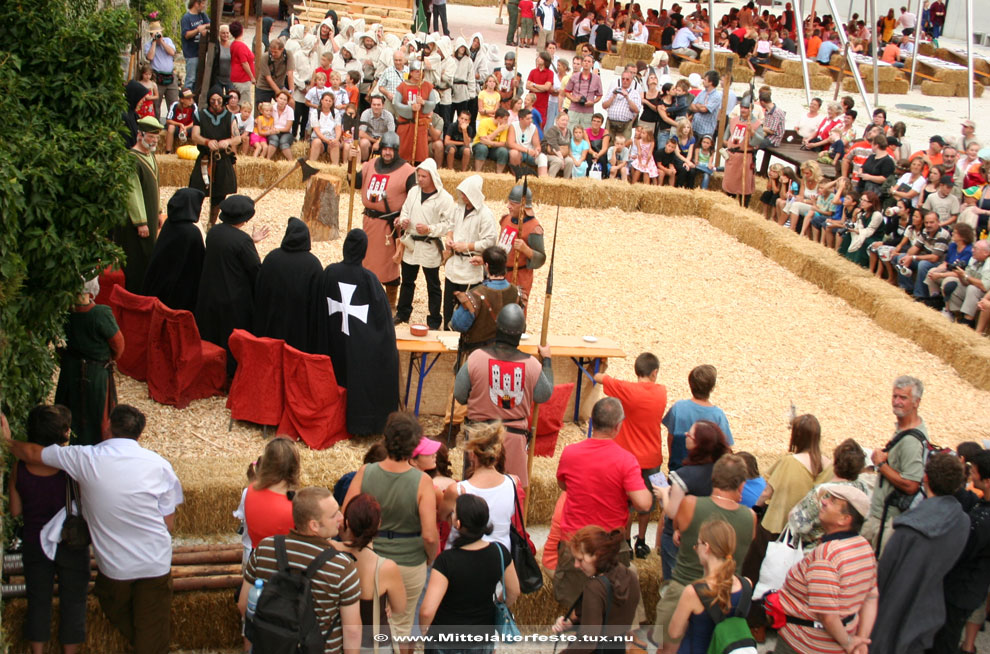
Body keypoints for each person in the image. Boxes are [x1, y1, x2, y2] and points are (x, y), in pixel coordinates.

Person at [5, 405, 183, 654]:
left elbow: (34, 454)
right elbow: (169, 524)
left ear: (107, 426)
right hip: (156, 562)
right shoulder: (160, 465)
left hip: (115, 569)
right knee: (151, 631)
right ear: (139, 435)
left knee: (105, 603)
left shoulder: (84, 459)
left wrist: (7, 441)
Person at [343, 412, 439, 652]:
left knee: (366, 625)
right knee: (402, 627)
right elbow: (429, 534)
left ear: (385, 439)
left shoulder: (366, 471)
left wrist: (355, 546)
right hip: (409, 561)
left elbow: (345, 517)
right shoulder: (422, 481)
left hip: (367, 559)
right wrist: (430, 557)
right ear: (414, 445)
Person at [554, 397, 653, 606]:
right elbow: (644, 504)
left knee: (574, 607)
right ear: (618, 427)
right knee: (612, 609)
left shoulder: (570, 452)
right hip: (609, 544)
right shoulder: (626, 460)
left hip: (575, 540)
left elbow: (563, 485)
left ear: (592, 421)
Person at [239, 487, 361, 654]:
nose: (341, 518)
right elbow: (352, 631)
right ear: (314, 525)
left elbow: (244, 604)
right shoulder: (341, 566)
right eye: (334, 515)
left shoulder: (265, 548)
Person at [8, 405, 90, 654]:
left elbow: (14, 511)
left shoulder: (19, 469)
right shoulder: (71, 467)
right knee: (74, 601)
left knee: (38, 602)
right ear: (61, 435)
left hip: (34, 542)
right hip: (71, 542)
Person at [654, 455, 756, 654]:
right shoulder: (750, 517)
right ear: (742, 485)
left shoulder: (691, 504)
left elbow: (675, 525)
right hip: (728, 596)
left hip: (683, 590)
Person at [869, 453, 969, 654]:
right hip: (929, 609)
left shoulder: (908, 529)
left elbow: (884, 576)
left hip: (893, 610)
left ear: (925, 478)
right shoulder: (962, 521)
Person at [454, 303, 552, 489]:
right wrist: (546, 361)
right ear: (520, 333)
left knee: (476, 496)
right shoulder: (532, 364)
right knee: (510, 493)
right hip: (513, 440)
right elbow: (543, 395)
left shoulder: (476, 358)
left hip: (480, 438)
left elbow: (460, 395)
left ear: (497, 328)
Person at [312, 230, 400, 435]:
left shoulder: (330, 273)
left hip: (333, 339)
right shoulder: (369, 279)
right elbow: (382, 321)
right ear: (363, 251)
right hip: (360, 346)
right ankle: (364, 424)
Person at [773, 485, 879, 654]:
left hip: (805, 644)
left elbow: (827, 615)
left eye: (833, 501)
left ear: (845, 519)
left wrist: (849, 643)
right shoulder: (864, 546)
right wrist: (861, 639)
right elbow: (871, 596)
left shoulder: (827, 556)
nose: (823, 501)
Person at [420, 493, 520, 653]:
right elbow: (513, 591)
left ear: (458, 524)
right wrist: (497, 605)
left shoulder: (446, 560)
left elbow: (427, 610)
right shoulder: (500, 552)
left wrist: (425, 631)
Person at [592, 353, 668, 559]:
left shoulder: (626, 390)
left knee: (625, 503)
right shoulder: (662, 391)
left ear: (637, 371)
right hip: (653, 458)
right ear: (655, 373)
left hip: (628, 458)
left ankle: (625, 539)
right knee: (648, 503)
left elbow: (598, 378)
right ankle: (642, 541)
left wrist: (600, 367)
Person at [195, 195, 268, 378]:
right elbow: (254, 269)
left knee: (212, 337)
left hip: (210, 292)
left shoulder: (214, 232)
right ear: (245, 219)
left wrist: (250, 240)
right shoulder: (242, 241)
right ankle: (231, 376)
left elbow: (228, 248)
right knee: (231, 341)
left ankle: (210, 372)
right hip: (233, 297)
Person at [331, 493, 407, 650]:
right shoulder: (386, 567)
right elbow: (400, 608)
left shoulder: (330, 550)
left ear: (346, 522)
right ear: (378, 524)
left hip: (339, 640)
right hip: (375, 643)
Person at [54, 278, 123, 446]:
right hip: (95, 373)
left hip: (71, 370)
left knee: (70, 411)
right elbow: (118, 345)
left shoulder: (63, 313)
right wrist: (106, 359)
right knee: (96, 414)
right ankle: (95, 451)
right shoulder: (101, 314)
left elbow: (59, 346)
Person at [864, 375, 929, 554]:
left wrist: (881, 465)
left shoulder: (911, 441)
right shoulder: (905, 430)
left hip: (887, 521)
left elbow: (911, 484)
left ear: (916, 402)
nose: (897, 402)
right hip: (882, 517)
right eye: (895, 396)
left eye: (903, 398)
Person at [352, 132, 416, 311]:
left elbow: (414, 199)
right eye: (385, 149)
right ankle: (367, 296)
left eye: (391, 150)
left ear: (396, 150)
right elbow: (355, 183)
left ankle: (390, 304)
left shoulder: (408, 171)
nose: (387, 153)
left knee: (390, 265)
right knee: (367, 261)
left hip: (390, 226)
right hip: (369, 222)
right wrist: (351, 163)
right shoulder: (370, 164)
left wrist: (403, 216)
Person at [553, 526, 643, 654]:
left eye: (580, 560)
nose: (576, 565)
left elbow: (588, 643)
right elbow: (609, 618)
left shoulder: (595, 588)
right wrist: (572, 623)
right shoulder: (629, 576)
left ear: (597, 555)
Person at [667, 520, 751, 654]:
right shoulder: (746, 584)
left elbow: (674, 634)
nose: (695, 548)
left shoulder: (693, 592)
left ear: (706, 547)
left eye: (697, 544)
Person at [394, 159, 454, 329]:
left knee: (433, 284)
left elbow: (449, 224)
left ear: (432, 177)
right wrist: (404, 220)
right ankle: (403, 313)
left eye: (423, 176)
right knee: (407, 281)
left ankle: (434, 319)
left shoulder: (445, 198)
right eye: (418, 175)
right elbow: (405, 210)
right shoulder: (413, 192)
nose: (419, 179)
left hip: (429, 246)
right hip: (412, 244)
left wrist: (430, 228)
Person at [441, 422, 518, 551]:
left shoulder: (457, 490)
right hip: (500, 556)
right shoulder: (513, 482)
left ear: (472, 454)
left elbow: (442, 516)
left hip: (462, 555)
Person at [253, 218, 322, 352]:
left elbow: (260, 290)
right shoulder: (313, 265)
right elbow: (316, 303)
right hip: (299, 329)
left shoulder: (272, 258)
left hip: (271, 325)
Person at [441, 175, 499, 330]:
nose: (462, 196)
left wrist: (468, 245)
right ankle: (447, 330)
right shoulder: (458, 208)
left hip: (470, 267)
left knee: (468, 306)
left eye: (466, 193)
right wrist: (449, 237)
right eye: (462, 193)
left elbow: (490, 241)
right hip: (454, 265)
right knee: (448, 305)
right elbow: (451, 225)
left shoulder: (485, 215)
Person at [142, 188, 205, 312]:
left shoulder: (169, 224)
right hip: (179, 297)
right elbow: (201, 263)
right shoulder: (192, 232)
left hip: (160, 288)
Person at [119, 116, 162, 293]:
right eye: (151, 136)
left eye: (156, 137)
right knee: (137, 256)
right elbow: (132, 191)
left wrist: (158, 211)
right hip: (138, 222)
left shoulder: (150, 156)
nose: (154, 141)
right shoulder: (131, 159)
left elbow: (155, 187)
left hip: (150, 215)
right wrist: (140, 221)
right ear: (140, 135)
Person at [664, 364, 733, 471]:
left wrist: (672, 461)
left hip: (679, 467)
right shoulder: (718, 415)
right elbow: (726, 447)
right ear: (712, 388)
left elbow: (671, 438)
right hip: (706, 473)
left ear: (690, 384)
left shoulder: (678, 407)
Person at [188, 86, 240, 227]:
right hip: (205, 158)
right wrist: (207, 141)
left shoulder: (230, 117)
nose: (216, 104)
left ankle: (211, 223)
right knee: (197, 191)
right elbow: (195, 136)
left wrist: (227, 141)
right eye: (213, 101)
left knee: (219, 195)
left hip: (222, 159)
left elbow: (237, 138)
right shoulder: (200, 115)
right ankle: (194, 223)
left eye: (218, 101)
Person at [244, 437, 299, 548]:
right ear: (294, 467)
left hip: (256, 555)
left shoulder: (250, 489)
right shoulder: (295, 507)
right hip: (284, 560)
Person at [498, 182, 547, 303]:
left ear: (523, 206)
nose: (508, 206)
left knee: (515, 314)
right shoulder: (506, 219)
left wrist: (526, 250)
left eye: (513, 204)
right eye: (509, 202)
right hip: (500, 275)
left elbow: (541, 258)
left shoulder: (534, 228)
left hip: (519, 277)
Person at [394, 61, 437, 165]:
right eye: (417, 71)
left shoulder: (427, 86)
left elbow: (433, 103)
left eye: (422, 71)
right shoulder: (402, 86)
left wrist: (424, 102)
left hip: (420, 126)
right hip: (406, 126)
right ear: (411, 73)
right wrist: (410, 108)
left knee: (420, 153)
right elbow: (397, 104)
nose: (420, 74)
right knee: (404, 152)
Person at [144, 19, 178, 124]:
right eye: (155, 33)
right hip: (157, 76)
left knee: (173, 103)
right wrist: (154, 42)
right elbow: (150, 57)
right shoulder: (148, 45)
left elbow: (172, 52)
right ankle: (156, 125)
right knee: (156, 104)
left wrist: (161, 41)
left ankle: (172, 124)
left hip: (170, 76)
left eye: (159, 32)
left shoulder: (167, 41)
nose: (158, 35)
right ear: (151, 34)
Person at [602, 69, 641, 141]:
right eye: (623, 79)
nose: (625, 81)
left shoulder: (635, 93)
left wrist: (627, 97)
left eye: (627, 79)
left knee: (622, 147)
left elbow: (636, 110)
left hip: (625, 125)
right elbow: (604, 105)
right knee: (608, 145)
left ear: (631, 80)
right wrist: (613, 96)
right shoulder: (613, 91)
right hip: (610, 123)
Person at [180, 0, 210, 91]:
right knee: (190, 79)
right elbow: (186, 34)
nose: (204, 6)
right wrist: (198, 30)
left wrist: (205, 28)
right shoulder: (186, 18)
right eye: (203, 4)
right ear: (196, 4)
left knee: (199, 79)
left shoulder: (202, 15)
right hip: (191, 53)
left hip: (201, 52)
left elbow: (210, 24)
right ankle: (186, 99)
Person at [358, 94, 396, 161]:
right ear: (371, 105)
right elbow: (361, 133)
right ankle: (364, 163)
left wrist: (379, 142)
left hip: (384, 140)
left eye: (378, 105)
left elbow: (391, 133)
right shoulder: (365, 113)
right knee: (363, 143)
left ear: (383, 105)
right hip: (369, 139)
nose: (376, 107)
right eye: (374, 104)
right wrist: (375, 141)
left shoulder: (389, 115)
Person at [229, 22, 256, 107]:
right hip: (242, 78)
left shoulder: (233, 44)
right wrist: (252, 77)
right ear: (242, 31)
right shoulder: (241, 46)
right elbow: (244, 62)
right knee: (244, 104)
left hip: (234, 75)